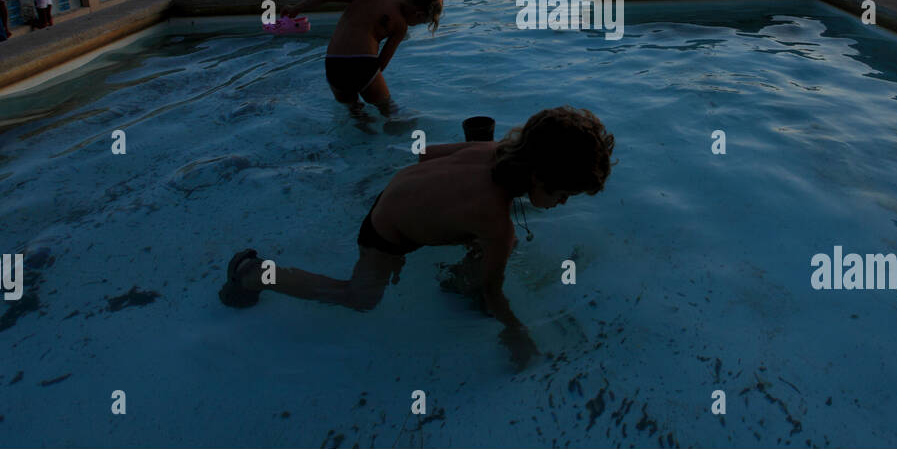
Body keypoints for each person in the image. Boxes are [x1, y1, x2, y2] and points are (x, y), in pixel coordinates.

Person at [217, 107, 614, 369]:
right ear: (538, 177)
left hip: (394, 196)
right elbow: (494, 294)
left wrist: (435, 204)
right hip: (385, 235)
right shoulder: (497, 225)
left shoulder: (492, 150)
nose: (563, 203)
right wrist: (515, 330)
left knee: (484, 242)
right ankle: (256, 274)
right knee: (360, 298)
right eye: (564, 194)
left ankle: (450, 257)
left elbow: (426, 156)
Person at [277, 0, 442, 119]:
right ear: (419, 14)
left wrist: (295, 9)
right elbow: (381, 64)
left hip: (333, 65)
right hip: (363, 65)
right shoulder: (400, 25)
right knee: (389, 112)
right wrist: (368, 82)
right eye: (422, 22)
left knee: (355, 113)